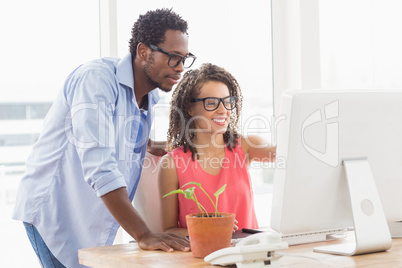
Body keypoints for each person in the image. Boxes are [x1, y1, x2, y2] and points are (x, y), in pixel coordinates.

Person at [13, 8, 196, 268]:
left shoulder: (150, 95)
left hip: (88, 217)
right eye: (173, 58)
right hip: (55, 211)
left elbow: (124, 134)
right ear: (143, 51)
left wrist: (154, 146)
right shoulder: (96, 80)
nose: (180, 68)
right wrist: (143, 234)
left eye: (184, 59)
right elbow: (99, 164)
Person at [158, 63, 276, 237]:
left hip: (250, 256)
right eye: (211, 103)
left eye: (228, 102)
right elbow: (168, 231)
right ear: (190, 108)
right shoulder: (171, 165)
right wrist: (209, 230)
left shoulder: (246, 146)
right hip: (201, 260)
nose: (223, 110)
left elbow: (286, 153)